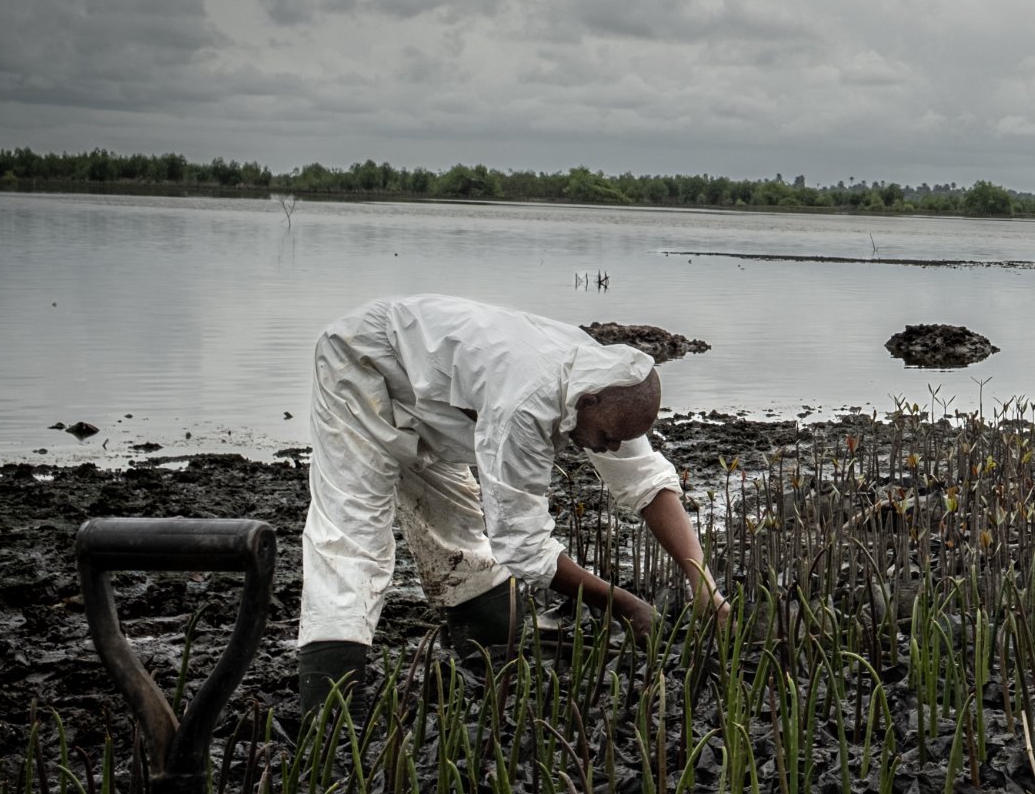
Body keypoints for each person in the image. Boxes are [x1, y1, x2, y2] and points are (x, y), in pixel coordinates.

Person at [295, 294, 726, 713]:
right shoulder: (528, 404)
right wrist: (622, 603)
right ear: (587, 403)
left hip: (436, 395)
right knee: (353, 527)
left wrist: (702, 581)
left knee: (454, 522)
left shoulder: (609, 382)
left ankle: (483, 637)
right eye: (608, 435)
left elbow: (646, 481)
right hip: (363, 360)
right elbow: (522, 545)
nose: (612, 447)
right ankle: (329, 705)